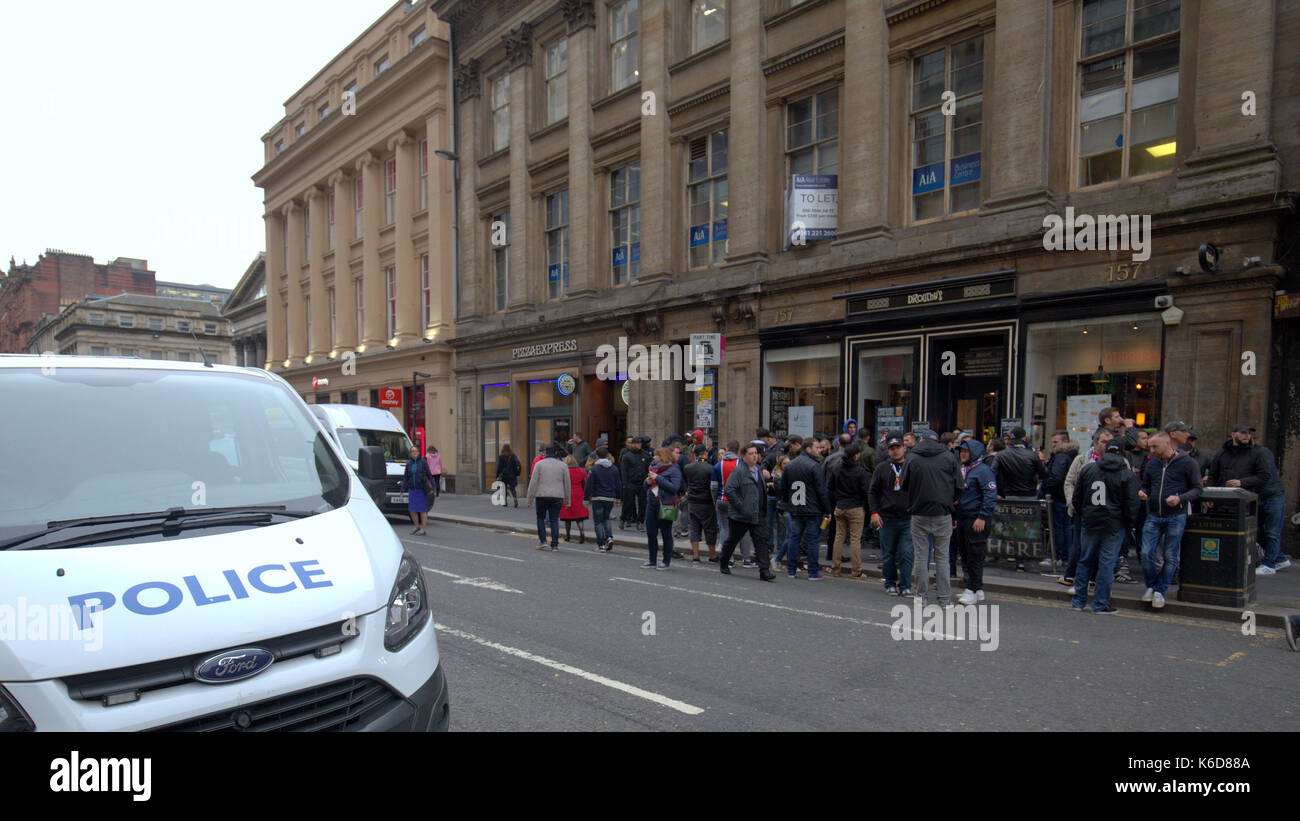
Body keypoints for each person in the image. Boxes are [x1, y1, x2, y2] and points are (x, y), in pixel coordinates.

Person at [1070, 438, 1139, 614]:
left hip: (1091, 520)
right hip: (1114, 523)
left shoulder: (1088, 469)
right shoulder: (1127, 474)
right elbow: (1131, 504)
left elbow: (1077, 498)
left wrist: (1083, 513)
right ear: (1122, 453)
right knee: (1107, 563)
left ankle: (1078, 601)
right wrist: (1129, 523)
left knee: (1085, 560)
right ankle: (1100, 604)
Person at [1210, 423, 1290, 574]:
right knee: (1255, 530)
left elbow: (1265, 475)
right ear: (1233, 434)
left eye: (1249, 433)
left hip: (1271, 495)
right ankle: (1279, 558)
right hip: (1252, 497)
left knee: (1272, 531)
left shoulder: (1260, 452)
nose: (1247, 436)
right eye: (1243, 433)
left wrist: (1241, 482)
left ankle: (1269, 564)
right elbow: (1214, 474)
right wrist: (1211, 493)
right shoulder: (1224, 453)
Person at [1137, 431, 1202, 608]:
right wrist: (1143, 492)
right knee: (1145, 553)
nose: (1151, 450)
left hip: (1175, 516)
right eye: (1150, 446)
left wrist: (1179, 498)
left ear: (1168, 444)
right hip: (1154, 515)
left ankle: (1160, 590)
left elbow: (1198, 489)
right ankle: (1151, 586)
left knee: (1170, 555)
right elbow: (1146, 485)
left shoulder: (1188, 463)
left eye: (1155, 446)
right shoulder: (1152, 463)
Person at [901, 429, 963, 606]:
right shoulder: (949, 457)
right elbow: (959, 485)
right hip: (942, 512)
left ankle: (921, 597)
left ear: (921, 439)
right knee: (943, 558)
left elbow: (903, 484)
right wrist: (949, 501)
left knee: (921, 556)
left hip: (919, 512)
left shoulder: (912, 457)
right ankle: (944, 599)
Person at [1060, 429, 1113, 586]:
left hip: (1107, 511)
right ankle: (1072, 576)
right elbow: (1069, 482)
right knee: (1080, 544)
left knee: (1100, 547)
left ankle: (1093, 579)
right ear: (1095, 442)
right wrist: (1071, 502)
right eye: (1103, 442)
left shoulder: (1120, 462)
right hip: (1083, 509)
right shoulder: (1082, 459)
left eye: (1110, 443)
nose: (1107, 446)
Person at [720, 443, 776, 581]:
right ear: (743, 456)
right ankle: (724, 561)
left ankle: (764, 571)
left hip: (757, 514)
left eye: (755, 453)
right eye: (751, 454)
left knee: (760, 542)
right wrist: (741, 506)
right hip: (741, 516)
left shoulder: (758, 470)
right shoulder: (739, 471)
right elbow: (729, 490)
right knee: (733, 540)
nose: (754, 456)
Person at [779, 435, 832, 579]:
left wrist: (787, 501)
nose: (819, 450)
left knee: (794, 538)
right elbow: (822, 491)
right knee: (812, 540)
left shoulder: (790, 465)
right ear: (808, 448)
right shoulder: (815, 466)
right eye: (817, 447)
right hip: (812, 509)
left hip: (795, 507)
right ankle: (813, 572)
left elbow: (783, 488)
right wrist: (827, 510)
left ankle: (791, 570)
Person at [870, 434, 913, 595]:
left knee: (906, 553)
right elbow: (873, 492)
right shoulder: (882, 468)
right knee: (888, 554)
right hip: (886, 518)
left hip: (907, 518)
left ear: (904, 448)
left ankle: (905, 585)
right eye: (891, 448)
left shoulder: (911, 465)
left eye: (898, 448)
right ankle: (890, 583)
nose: (895, 451)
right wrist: (874, 513)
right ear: (888, 451)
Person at [955, 439, 997, 604]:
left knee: (974, 555)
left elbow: (990, 495)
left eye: (966, 451)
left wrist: (982, 517)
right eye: (961, 451)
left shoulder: (983, 471)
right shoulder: (965, 469)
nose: (962, 454)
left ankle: (971, 588)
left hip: (976, 519)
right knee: (965, 554)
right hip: (963, 518)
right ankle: (977, 588)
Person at [828, 442, 870, 577]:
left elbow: (830, 487)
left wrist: (838, 499)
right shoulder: (860, 472)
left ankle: (836, 568)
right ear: (856, 456)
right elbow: (865, 492)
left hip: (840, 506)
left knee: (839, 537)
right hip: (855, 507)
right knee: (855, 539)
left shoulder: (837, 468)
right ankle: (856, 570)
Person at [1042, 430, 1078, 567]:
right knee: (1066, 527)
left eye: (1056, 442)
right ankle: (1065, 556)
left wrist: (1046, 487)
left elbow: (1056, 477)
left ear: (1065, 442)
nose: (1053, 445)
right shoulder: (1072, 456)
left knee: (1058, 527)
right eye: (1052, 442)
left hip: (1058, 496)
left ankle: (1057, 555)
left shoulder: (1061, 457)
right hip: (1067, 496)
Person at [643, 447, 683, 569]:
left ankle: (666, 561)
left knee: (666, 533)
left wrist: (658, 478)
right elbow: (645, 486)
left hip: (666, 504)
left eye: (656, 455)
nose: (654, 457)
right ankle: (652, 559)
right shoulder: (652, 468)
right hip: (652, 504)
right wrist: (647, 482)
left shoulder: (674, 470)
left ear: (662, 457)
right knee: (651, 533)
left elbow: (674, 487)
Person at [526, 446, 570, 551]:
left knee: (540, 517)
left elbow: (533, 482)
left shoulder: (539, 464)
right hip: (557, 496)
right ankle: (555, 545)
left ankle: (543, 541)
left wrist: (529, 499)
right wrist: (568, 501)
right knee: (554, 519)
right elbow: (567, 484)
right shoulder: (563, 465)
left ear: (545, 452)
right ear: (555, 452)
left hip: (542, 495)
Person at [683, 444, 719, 562]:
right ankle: (712, 555)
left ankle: (695, 555)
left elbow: (685, 483)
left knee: (694, 528)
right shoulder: (710, 468)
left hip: (693, 501)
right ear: (705, 453)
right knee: (710, 529)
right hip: (706, 502)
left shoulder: (688, 467)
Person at [585, 446, 621, 552]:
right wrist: (618, 498)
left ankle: (601, 544)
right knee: (606, 519)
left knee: (598, 522)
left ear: (597, 456)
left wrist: (586, 498)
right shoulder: (614, 468)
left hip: (598, 497)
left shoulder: (594, 469)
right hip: (609, 497)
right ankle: (609, 537)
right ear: (607, 456)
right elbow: (618, 484)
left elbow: (589, 485)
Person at [401, 445, 434, 535]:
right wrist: (402, 490)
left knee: (422, 510)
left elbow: (429, 475)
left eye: (416, 451)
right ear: (410, 453)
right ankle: (416, 526)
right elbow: (405, 478)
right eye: (412, 451)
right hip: (412, 489)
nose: (414, 453)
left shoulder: (423, 462)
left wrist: (432, 488)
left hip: (421, 489)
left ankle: (423, 529)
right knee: (412, 510)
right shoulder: (409, 464)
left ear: (419, 453)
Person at [559, 455, 590, 544]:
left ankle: (568, 536)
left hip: (567, 494)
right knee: (579, 517)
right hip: (579, 494)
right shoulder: (581, 471)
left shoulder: (564, 471)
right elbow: (586, 482)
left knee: (567, 518)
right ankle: (582, 534)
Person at [619, 436, 647, 530]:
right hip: (631, 482)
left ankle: (640, 521)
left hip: (642, 482)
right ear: (633, 444)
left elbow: (648, 467)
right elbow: (624, 470)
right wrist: (625, 483)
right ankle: (623, 518)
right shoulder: (627, 455)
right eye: (637, 443)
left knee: (643, 503)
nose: (639, 445)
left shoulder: (645, 454)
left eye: (640, 443)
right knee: (628, 502)